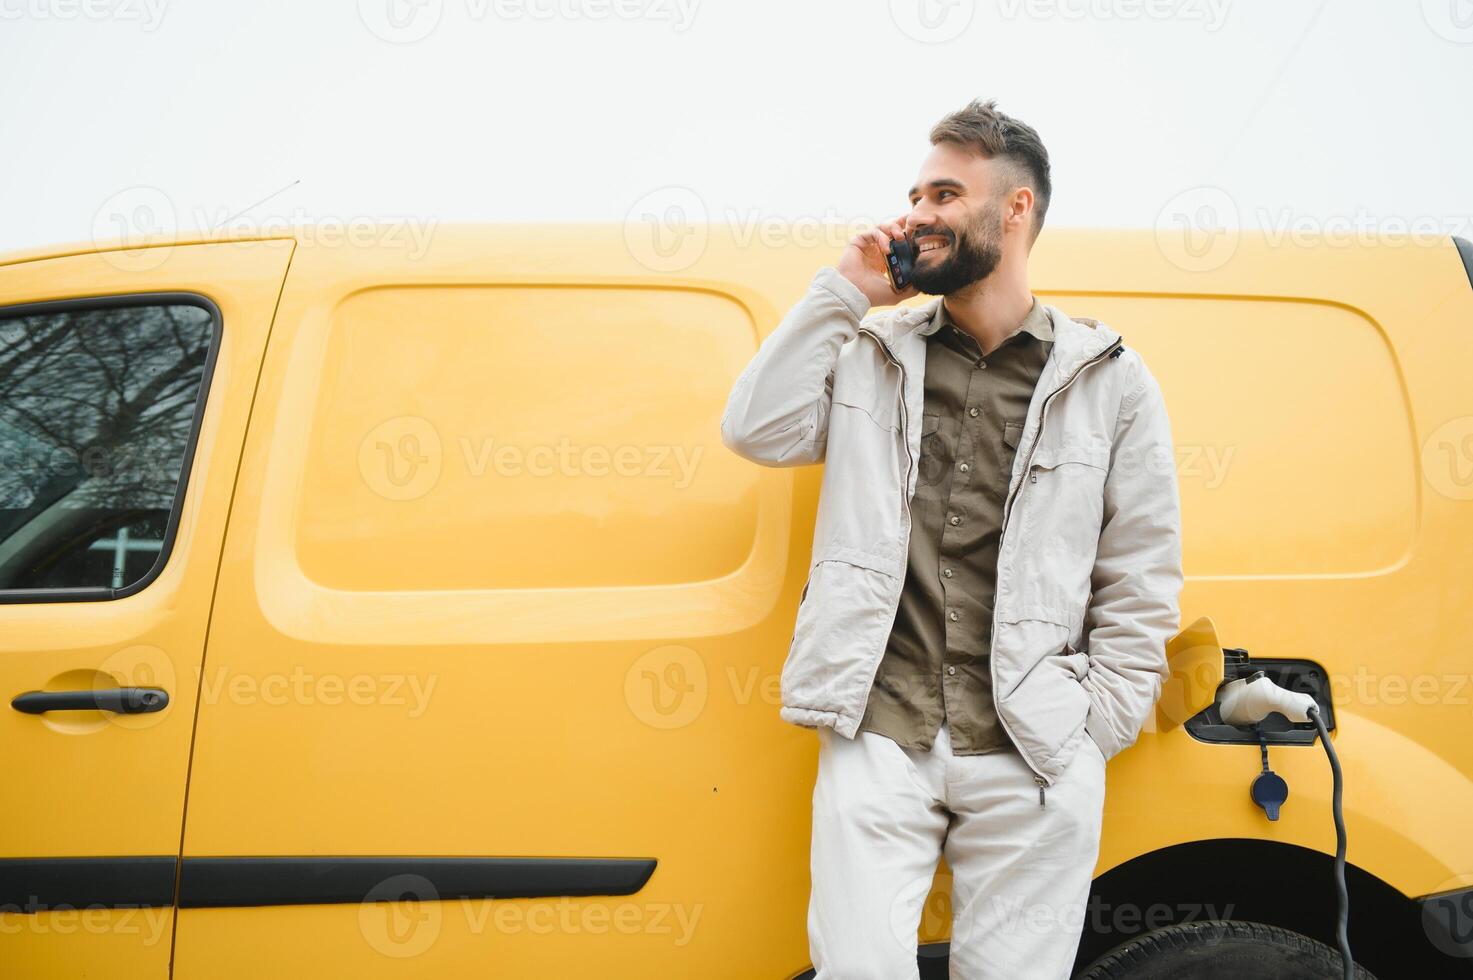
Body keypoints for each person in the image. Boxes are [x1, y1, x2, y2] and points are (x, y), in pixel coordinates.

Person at [719, 98, 1184, 979]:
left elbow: (1142, 569)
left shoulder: (1108, 378)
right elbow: (757, 429)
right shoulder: (871, 351)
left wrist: (1095, 725)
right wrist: (844, 291)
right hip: (879, 732)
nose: (917, 214)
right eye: (915, 195)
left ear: (1015, 211)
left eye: (943, 193)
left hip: (1033, 745)